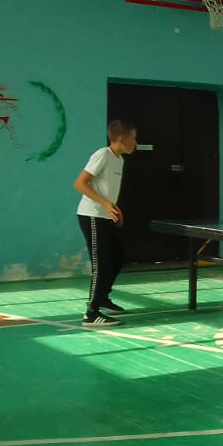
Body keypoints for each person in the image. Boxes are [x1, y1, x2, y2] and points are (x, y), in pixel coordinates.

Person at [74, 119, 138, 328]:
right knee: (101, 264)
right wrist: (105, 204)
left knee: (117, 258)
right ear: (121, 138)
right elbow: (80, 183)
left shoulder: (119, 160)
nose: (135, 143)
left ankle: (102, 297)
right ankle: (91, 313)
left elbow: (107, 190)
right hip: (91, 215)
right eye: (133, 138)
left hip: (106, 215)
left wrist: (114, 209)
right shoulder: (102, 155)